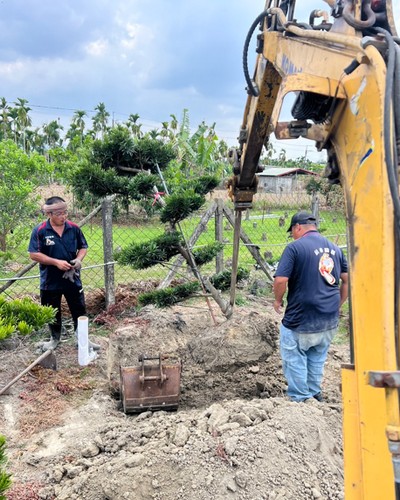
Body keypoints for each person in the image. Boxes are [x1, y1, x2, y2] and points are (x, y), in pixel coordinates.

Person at [273, 210, 348, 402]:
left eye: (292, 231)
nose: (292, 235)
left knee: (294, 355)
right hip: (328, 317)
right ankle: (314, 392)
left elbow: (281, 279)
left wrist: (278, 300)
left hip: (301, 316)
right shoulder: (335, 248)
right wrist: (338, 303)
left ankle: (300, 398)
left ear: (298, 227)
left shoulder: (295, 248)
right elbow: (348, 280)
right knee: (317, 356)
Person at [28, 196, 100, 352]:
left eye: (65, 212)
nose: (63, 216)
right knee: (52, 310)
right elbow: (33, 254)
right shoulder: (40, 231)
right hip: (50, 280)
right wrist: (56, 262)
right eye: (59, 214)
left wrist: (79, 259)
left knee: (79, 309)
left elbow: (83, 246)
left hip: (72, 277)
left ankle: (82, 339)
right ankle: (54, 339)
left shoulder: (73, 228)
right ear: (49, 214)